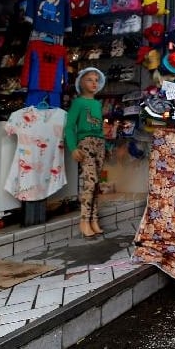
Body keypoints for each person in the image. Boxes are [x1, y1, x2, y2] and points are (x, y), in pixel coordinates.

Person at [64, 67, 106, 238]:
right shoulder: (78, 103)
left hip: (99, 144)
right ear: (81, 82)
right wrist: (73, 147)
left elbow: (100, 127)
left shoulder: (97, 104)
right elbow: (69, 127)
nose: (94, 83)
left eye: (96, 80)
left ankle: (94, 219)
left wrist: (106, 146)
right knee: (90, 181)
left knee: (97, 184)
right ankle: (84, 220)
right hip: (86, 143)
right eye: (90, 79)